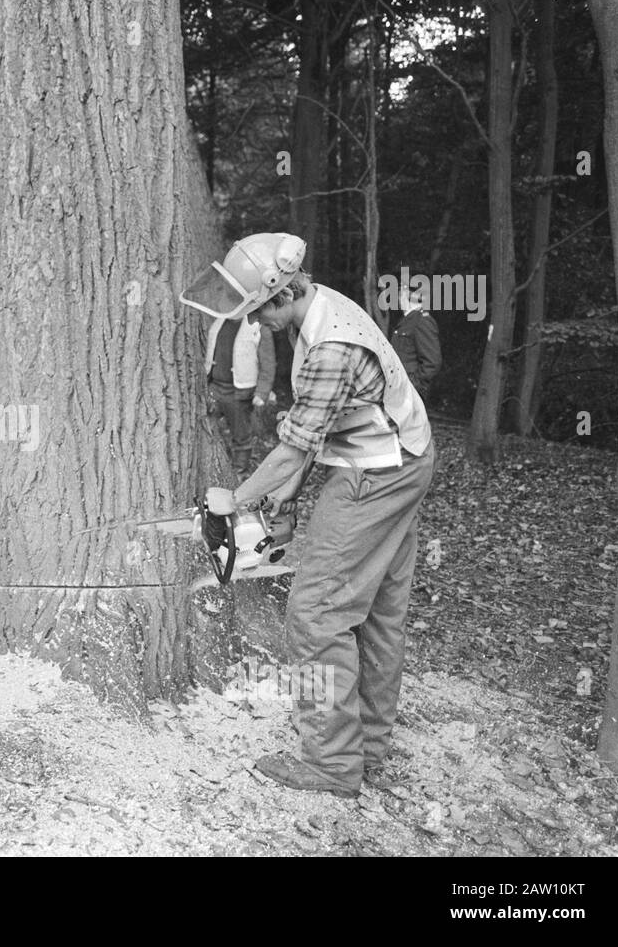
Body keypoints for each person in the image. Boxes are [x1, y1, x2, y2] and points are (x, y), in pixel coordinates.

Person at [185, 232, 434, 798]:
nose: (255, 325)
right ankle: (367, 747)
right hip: (399, 455)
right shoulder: (317, 312)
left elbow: (295, 450)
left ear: (280, 294)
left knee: (317, 612)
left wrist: (238, 497)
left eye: (255, 314)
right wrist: (286, 501)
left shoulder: (330, 348)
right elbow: (313, 430)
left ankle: (332, 763)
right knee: (377, 611)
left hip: (379, 471)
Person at [205, 312, 276, 474]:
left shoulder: (258, 326)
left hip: (239, 390)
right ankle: (218, 465)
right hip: (215, 386)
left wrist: (262, 392)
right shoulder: (219, 322)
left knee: (241, 432)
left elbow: (268, 363)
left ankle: (239, 470)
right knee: (209, 426)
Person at [388, 279, 442, 398]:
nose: (398, 298)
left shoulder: (422, 321)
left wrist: (412, 385)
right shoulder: (407, 320)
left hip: (409, 393)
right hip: (398, 390)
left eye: (400, 293)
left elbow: (432, 362)